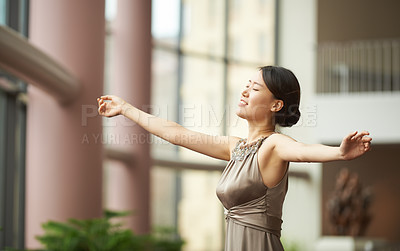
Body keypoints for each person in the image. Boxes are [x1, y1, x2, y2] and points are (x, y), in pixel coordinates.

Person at [97, 66, 372, 251]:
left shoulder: (274, 145)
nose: (244, 92)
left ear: (276, 105)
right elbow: (177, 134)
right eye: (246, 86)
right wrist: (125, 109)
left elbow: (303, 151)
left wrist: (338, 153)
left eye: (254, 88)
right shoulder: (235, 147)